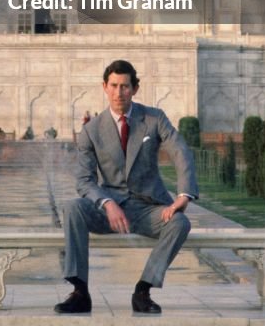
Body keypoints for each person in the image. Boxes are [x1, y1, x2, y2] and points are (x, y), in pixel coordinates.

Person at [54, 59, 198, 316]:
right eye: (114, 86)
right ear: (105, 87)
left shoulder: (153, 119)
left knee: (179, 223)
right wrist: (107, 204)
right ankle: (80, 291)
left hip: (147, 208)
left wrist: (183, 195)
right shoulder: (92, 130)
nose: (119, 93)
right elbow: (84, 180)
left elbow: (180, 151)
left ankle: (143, 290)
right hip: (109, 210)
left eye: (125, 86)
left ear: (135, 88)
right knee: (73, 208)